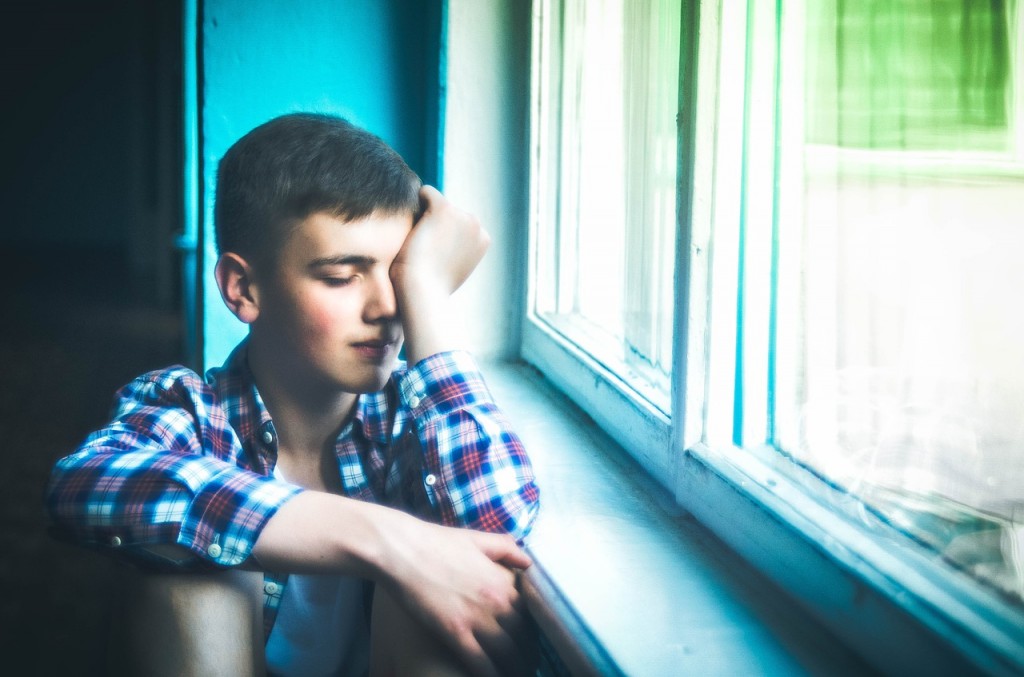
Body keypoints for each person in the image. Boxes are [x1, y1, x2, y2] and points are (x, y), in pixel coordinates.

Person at [45, 112, 540, 676]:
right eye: (341, 276)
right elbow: (80, 483)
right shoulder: (192, 413)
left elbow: (499, 525)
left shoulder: (414, 421)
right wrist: (386, 540)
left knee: (444, 577)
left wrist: (428, 296)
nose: (385, 308)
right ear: (244, 289)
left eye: (398, 274)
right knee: (189, 575)